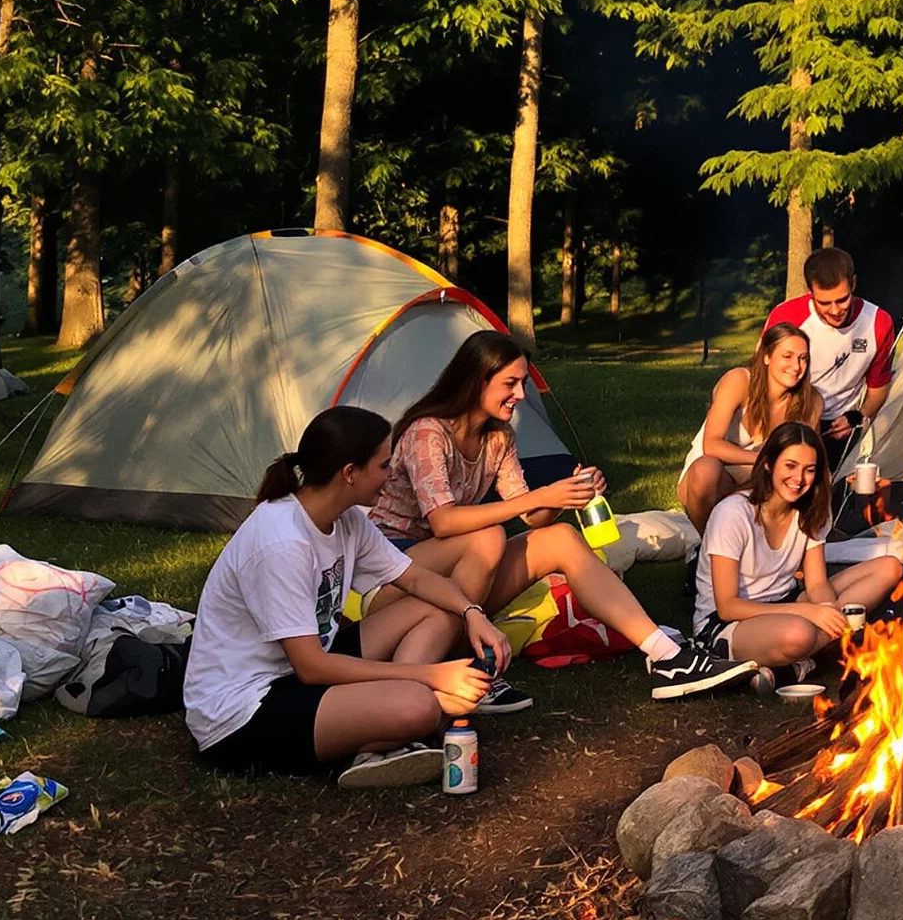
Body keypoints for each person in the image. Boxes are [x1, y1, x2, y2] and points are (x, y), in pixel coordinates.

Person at [371, 329, 751, 700]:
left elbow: (533, 517)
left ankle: (667, 656)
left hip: (456, 572)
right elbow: (443, 521)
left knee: (562, 539)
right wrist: (538, 497)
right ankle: (466, 664)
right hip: (393, 569)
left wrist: (566, 496)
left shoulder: (498, 436)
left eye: (522, 383)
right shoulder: (428, 432)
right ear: (476, 381)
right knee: (488, 538)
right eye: (510, 384)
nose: (520, 395)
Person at [184, 406, 510, 788]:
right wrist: (431, 676)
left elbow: (416, 579)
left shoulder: (346, 519)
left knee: (440, 609)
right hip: (245, 709)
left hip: (298, 671)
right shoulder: (281, 542)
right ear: (350, 473)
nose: (391, 477)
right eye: (385, 466)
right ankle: (400, 719)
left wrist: (473, 614)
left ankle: (387, 724)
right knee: (419, 707)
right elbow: (312, 667)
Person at [694, 422, 903, 672]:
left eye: (809, 470)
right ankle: (806, 659)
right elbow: (728, 606)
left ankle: (803, 657)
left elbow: (816, 584)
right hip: (729, 622)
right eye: (790, 466)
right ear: (768, 463)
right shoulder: (732, 514)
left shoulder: (810, 510)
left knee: (890, 567)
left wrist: (828, 610)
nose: (798, 479)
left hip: (786, 600)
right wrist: (809, 613)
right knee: (800, 634)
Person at [677, 323, 824, 533]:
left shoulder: (811, 401)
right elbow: (711, 445)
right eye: (787, 356)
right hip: (713, 474)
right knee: (705, 469)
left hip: (761, 475)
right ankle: (704, 545)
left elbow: (809, 459)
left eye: (803, 358)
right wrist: (764, 457)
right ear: (766, 357)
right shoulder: (739, 381)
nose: (796, 366)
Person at [763, 247, 897, 471]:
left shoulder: (878, 323)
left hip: (843, 426)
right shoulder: (786, 316)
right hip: (791, 416)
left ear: (853, 284)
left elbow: (878, 390)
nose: (835, 310)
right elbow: (762, 376)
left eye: (842, 300)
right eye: (824, 303)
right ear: (810, 292)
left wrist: (856, 417)